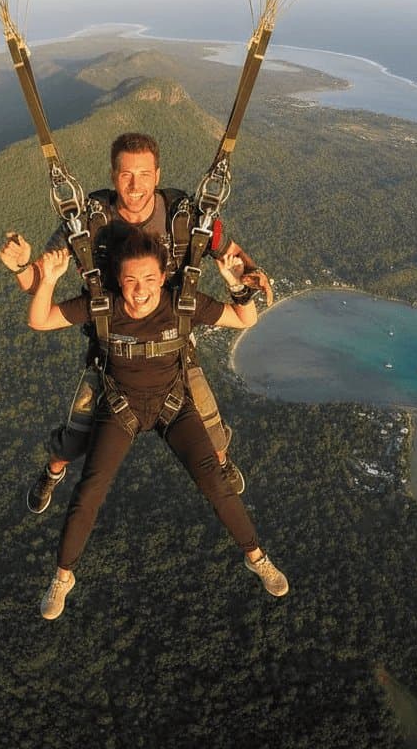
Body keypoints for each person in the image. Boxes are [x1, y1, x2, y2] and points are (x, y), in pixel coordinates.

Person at [0, 133, 270, 513]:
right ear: (113, 175)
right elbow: (38, 282)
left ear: (157, 175)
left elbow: (229, 252)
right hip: (112, 347)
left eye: (144, 174)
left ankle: (221, 465)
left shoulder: (184, 217)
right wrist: (23, 265)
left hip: (171, 342)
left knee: (211, 427)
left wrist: (253, 276)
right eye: (127, 175)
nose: (135, 185)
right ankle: (53, 471)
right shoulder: (88, 222)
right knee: (76, 437)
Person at [28, 228, 288, 619]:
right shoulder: (104, 306)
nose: (140, 290)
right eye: (131, 280)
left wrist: (236, 284)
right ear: (119, 280)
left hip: (172, 404)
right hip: (120, 407)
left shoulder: (181, 304)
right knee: (90, 490)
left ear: (163, 277)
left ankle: (256, 556)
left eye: (149, 279)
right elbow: (40, 320)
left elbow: (243, 318)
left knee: (214, 482)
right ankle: (63, 576)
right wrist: (48, 280)